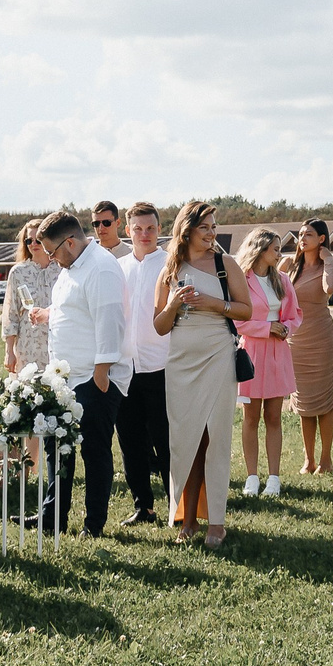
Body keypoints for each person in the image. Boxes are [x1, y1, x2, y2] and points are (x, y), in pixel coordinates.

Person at [151, 201, 252, 547]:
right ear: (187, 229)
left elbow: (246, 310)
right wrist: (173, 304)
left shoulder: (227, 264)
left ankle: (217, 523)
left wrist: (212, 303)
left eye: (214, 227)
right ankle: (187, 519)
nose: (211, 233)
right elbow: (160, 326)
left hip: (218, 355)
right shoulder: (169, 269)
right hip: (181, 361)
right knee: (185, 442)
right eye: (205, 227)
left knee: (216, 438)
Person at [41, 209, 129, 535]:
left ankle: (94, 525)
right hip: (66, 377)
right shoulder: (71, 267)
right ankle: (53, 518)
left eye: (53, 252)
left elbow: (110, 321)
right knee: (58, 447)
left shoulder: (101, 268)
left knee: (93, 450)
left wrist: (102, 371)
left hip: (95, 377)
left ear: (70, 242)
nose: (51, 259)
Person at [117, 202, 171, 527]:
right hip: (126, 368)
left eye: (150, 228)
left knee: (166, 443)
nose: (144, 234)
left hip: (161, 366)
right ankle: (144, 507)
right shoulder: (118, 267)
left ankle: (178, 509)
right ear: (128, 231)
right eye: (138, 228)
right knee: (130, 442)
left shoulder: (170, 265)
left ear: (159, 229)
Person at [235, 227, 299, 500]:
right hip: (251, 353)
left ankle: (274, 477)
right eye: (275, 248)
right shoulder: (241, 280)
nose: (280, 253)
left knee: (274, 417)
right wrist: (267, 327)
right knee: (251, 418)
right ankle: (252, 476)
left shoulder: (282, 280)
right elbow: (237, 320)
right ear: (260, 249)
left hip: (277, 353)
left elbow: (296, 314)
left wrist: (285, 328)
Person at [287, 220, 333, 473]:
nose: (303, 237)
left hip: (321, 342)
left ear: (321, 239)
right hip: (295, 343)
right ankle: (308, 459)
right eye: (300, 234)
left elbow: (330, 288)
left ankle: (326, 459)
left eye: (309, 234)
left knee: (324, 402)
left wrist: (328, 259)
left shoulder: (328, 267)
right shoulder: (289, 266)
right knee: (304, 404)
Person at [1, 218, 58, 372]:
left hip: (58, 344)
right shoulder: (18, 272)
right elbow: (10, 313)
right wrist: (9, 352)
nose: (33, 244)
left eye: (38, 240)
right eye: (29, 240)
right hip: (28, 346)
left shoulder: (62, 269)